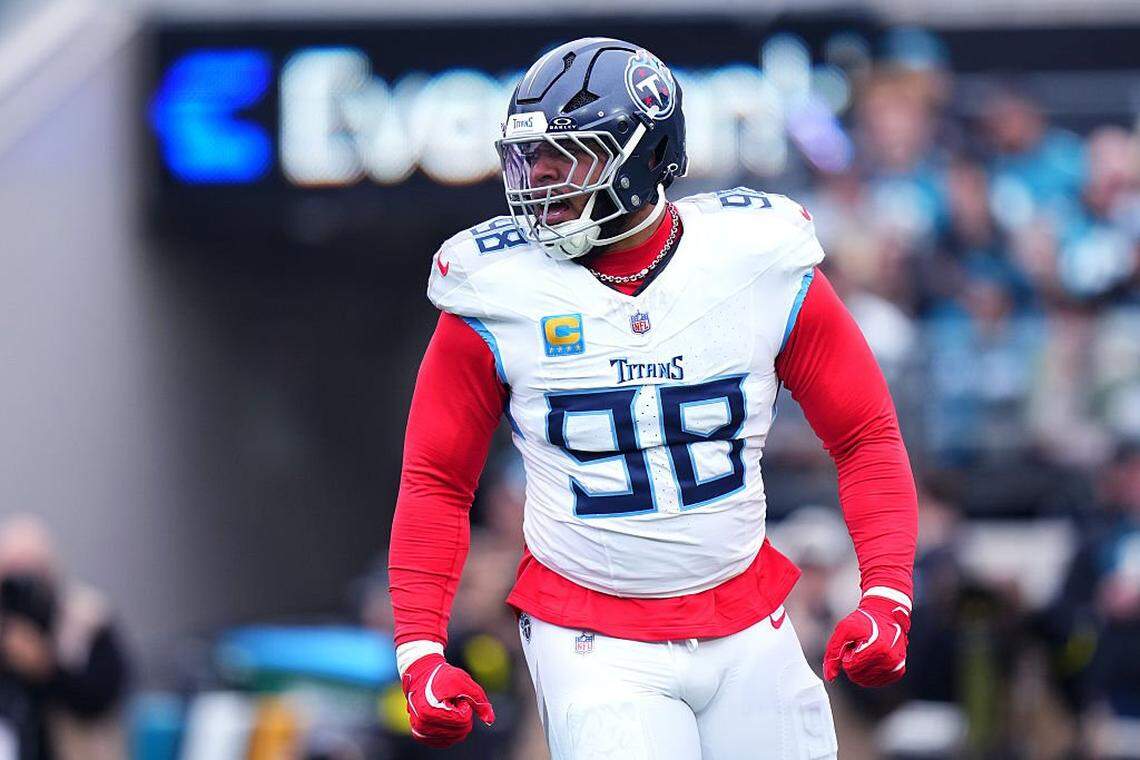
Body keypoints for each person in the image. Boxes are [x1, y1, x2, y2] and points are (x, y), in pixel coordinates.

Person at [388, 37, 918, 759]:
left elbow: (865, 437)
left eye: (566, 156)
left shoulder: (755, 257)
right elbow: (436, 481)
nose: (539, 180)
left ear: (644, 157)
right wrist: (420, 647)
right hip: (593, 636)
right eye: (528, 159)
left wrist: (887, 591)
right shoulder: (493, 287)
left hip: (746, 614)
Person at [0, 516, 129, 760]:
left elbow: (101, 699)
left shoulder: (85, 619)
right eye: (11, 575)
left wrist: (44, 666)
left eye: (28, 572)